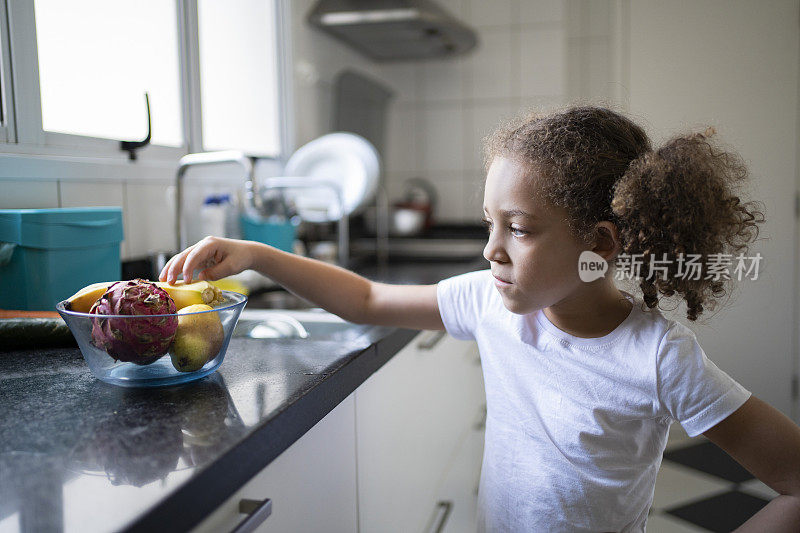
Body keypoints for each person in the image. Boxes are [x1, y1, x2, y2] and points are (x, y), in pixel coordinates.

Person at [161, 105, 800, 532]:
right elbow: (367, 301)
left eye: (518, 229)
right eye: (490, 222)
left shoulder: (658, 357)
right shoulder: (488, 302)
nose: (491, 248)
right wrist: (259, 256)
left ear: (600, 243)